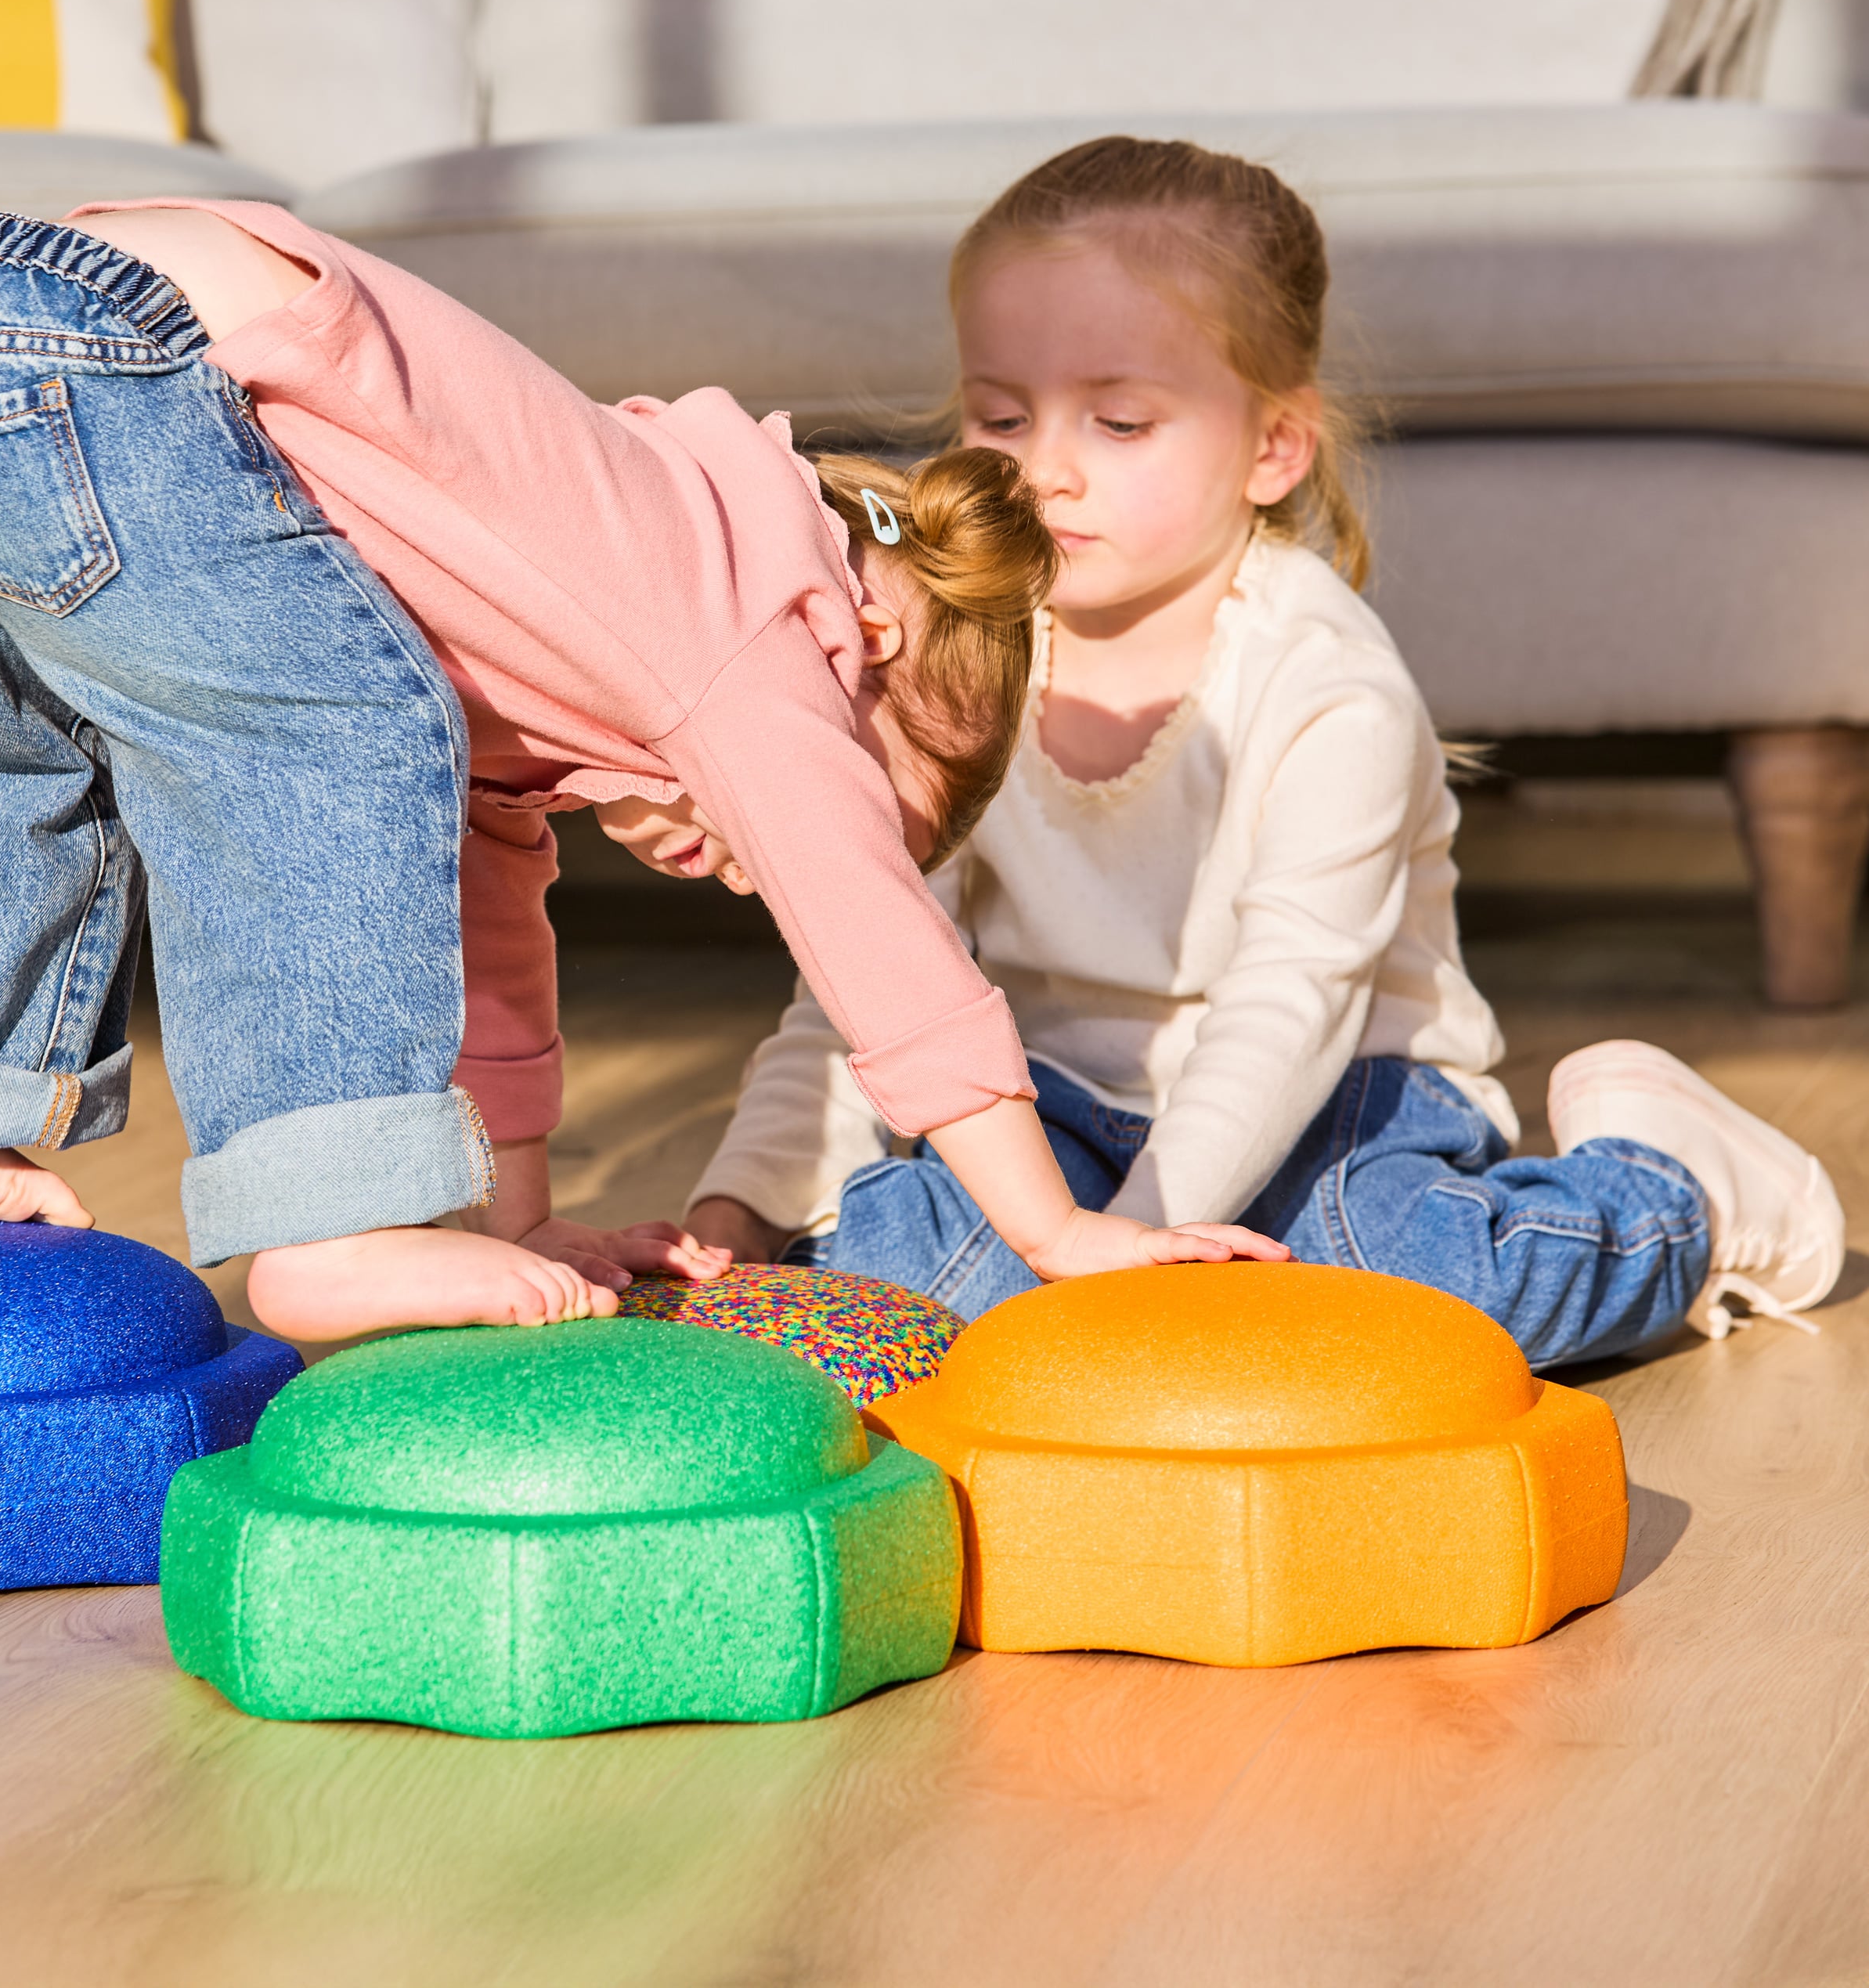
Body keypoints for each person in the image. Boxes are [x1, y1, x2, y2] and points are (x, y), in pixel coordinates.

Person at [0, 197, 1287, 1344]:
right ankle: (330, 1222)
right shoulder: (758, 614)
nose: (754, 854)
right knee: (333, 733)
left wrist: (524, 1220)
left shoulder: (549, 644)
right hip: (103, 352)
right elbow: (877, 942)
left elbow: (482, 936)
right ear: (873, 638)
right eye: (838, 799)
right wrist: (1051, 1229)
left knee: (52, 751)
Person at [685, 136, 1847, 1367]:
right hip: (1052, 1123)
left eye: (1121, 420)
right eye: (1000, 414)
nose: (1045, 469)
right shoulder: (957, 660)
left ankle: (1672, 1189)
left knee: (1412, 1289)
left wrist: (1115, 1257)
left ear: (1274, 448)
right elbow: (872, 969)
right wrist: (740, 1209)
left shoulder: (1329, 684)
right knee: (902, 1262)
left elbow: (1290, 1007)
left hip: (1340, 1099)